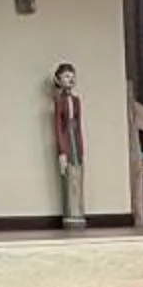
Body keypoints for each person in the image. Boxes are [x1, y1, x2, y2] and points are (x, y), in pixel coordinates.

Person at [49, 62, 87, 227]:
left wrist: (82, 148)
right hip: (66, 139)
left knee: (78, 174)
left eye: (72, 76)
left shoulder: (77, 101)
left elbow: (79, 125)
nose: (70, 79)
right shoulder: (59, 101)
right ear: (59, 79)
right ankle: (70, 216)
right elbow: (58, 126)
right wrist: (61, 151)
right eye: (66, 76)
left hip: (75, 140)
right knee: (68, 176)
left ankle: (79, 213)